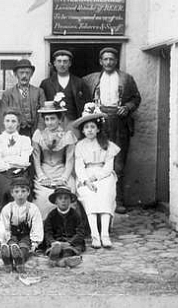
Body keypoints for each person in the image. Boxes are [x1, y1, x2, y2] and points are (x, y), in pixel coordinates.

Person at [83, 47, 141, 214]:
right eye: (105, 59)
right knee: (98, 160)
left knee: (118, 162)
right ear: (100, 62)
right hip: (99, 121)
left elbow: (136, 98)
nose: (108, 62)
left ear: (116, 61)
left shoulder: (126, 78)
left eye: (112, 59)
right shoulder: (91, 79)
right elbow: (81, 93)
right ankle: (98, 199)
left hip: (119, 121)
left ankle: (118, 200)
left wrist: (128, 107)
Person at [73, 104, 120, 249]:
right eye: (86, 127)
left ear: (98, 129)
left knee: (105, 194)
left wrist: (96, 177)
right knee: (90, 196)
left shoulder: (107, 145)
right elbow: (79, 166)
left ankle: (105, 234)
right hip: (86, 176)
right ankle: (95, 235)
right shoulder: (80, 146)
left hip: (103, 176)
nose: (90, 130)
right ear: (83, 130)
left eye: (92, 127)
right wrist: (86, 181)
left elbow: (108, 167)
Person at [31, 101, 78, 219]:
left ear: (59, 119)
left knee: (68, 191)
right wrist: (41, 176)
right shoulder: (39, 135)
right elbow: (36, 159)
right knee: (43, 196)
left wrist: (63, 178)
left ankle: (66, 228)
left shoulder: (67, 136)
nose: (49, 122)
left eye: (53, 119)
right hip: (44, 171)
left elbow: (69, 160)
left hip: (62, 170)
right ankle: (45, 228)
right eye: (47, 119)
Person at [0, 177, 43, 273]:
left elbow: (36, 226)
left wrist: (35, 242)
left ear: (28, 192)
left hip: (25, 236)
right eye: (17, 191)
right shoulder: (7, 209)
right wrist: (4, 239)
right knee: (11, 245)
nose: (20, 194)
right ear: (12, 193)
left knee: (24, 246)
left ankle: (19, 260)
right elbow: (4, 227)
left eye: (23, 191)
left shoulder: (33, 208)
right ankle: (7, 259)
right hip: (12, 235)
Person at [0, 110, 34, 205]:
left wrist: (5, 160)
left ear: (18, 123)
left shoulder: (24, 140)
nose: (10, 124)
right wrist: (14, 163)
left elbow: (24, 161)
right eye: (7, 121)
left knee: (21, 190)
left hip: (20, 174)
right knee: (7, 190)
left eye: (13, 121)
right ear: (3, 122)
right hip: (2, 174)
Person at [39, 50, 91, 122]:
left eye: (65, 61)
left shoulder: (79, 82)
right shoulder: (46, 83)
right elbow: (42, 106)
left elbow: (88, 104)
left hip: (74, 123)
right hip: (54, 124)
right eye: (59, 61)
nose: (62, 64)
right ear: (54, 63)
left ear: (70, 63)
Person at [0, 59, 46, 137]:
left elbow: (43, 114)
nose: (24, 76)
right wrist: (6, 137)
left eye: (27, 73)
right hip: (15, 132)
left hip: (34, 132)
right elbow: (2, 118)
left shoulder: (39, 92)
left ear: (31, 74)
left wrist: (39, 133)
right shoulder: (7, 94)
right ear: (15, 74)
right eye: (21, 73)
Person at [43, 187, 85, 268]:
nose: (63, 201)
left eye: (66, 198)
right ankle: (55, 255)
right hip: (56, 242)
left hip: (71, 242)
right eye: (60, 198)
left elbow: (81, 232)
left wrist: (70, 242)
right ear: (55, 201)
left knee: (69, 250)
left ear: (70, 201)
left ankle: (62, 260)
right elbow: (48, 232)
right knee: (53, 248)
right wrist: (52, 242)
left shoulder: (75, 215)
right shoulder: (52, 215)